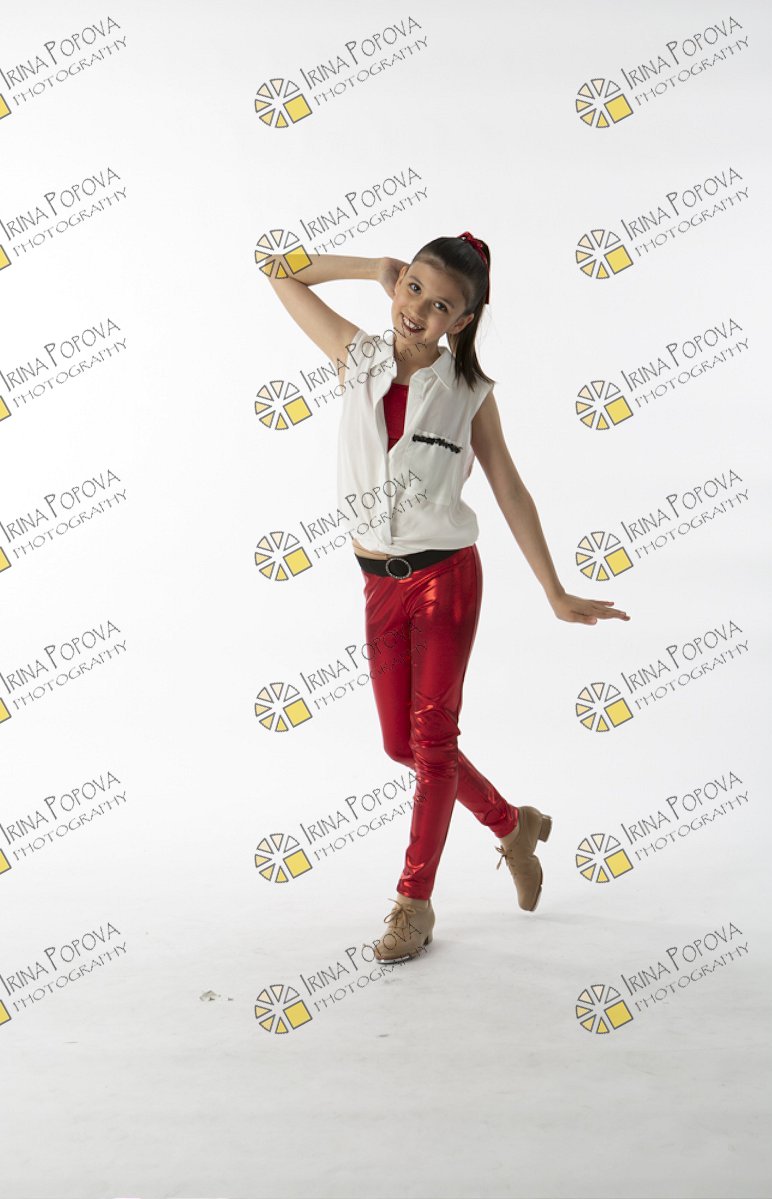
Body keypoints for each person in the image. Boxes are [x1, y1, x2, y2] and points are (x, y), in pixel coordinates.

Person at [265, 232, 631, 964]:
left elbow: (510, 488)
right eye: (414, 289)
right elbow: (277, 268)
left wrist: (554, 589)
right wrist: (372, 268)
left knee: (432, 744)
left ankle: (414, 901)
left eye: (441, 305)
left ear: (460, 322)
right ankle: (513, 825)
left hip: (445, 580)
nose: (419, 309)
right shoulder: (357, 357)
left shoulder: (469, 393)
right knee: (400, 745)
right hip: (378, 582)